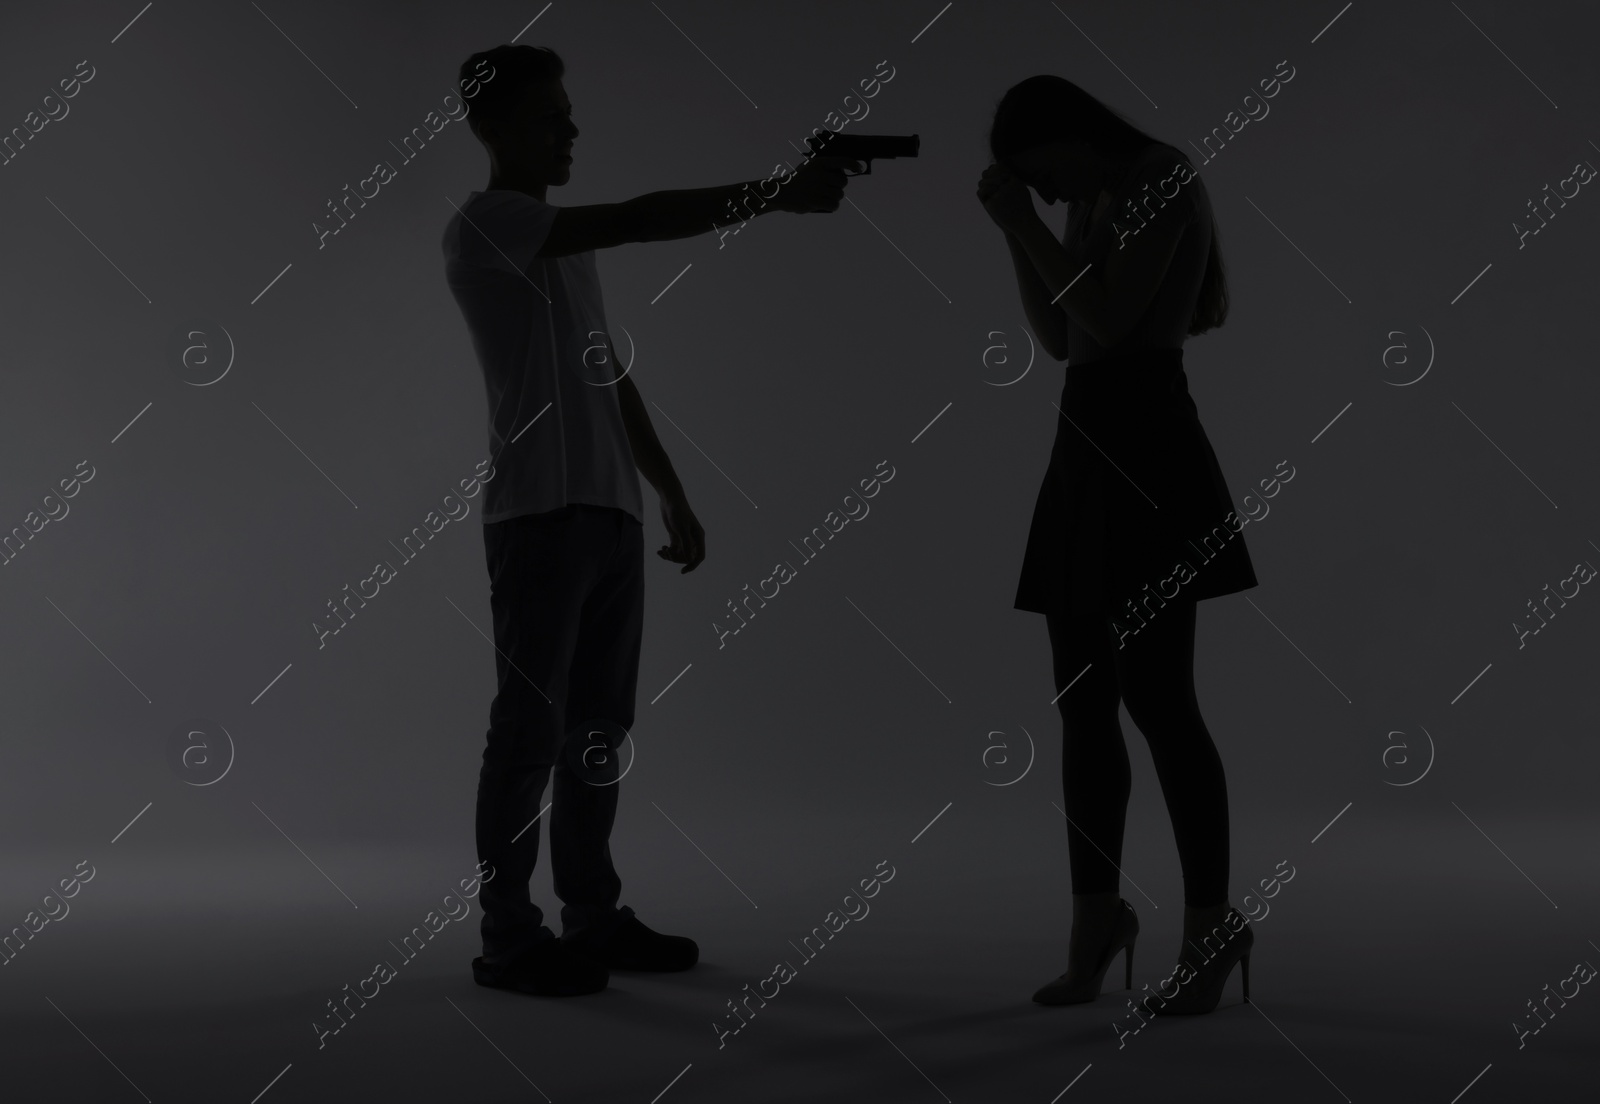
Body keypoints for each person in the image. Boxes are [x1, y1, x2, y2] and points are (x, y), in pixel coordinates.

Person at [441, 43, 848, 998]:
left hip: (605, 516)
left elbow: (606, 371)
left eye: (569, 111)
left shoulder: (558, 246)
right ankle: (507, 937)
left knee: (595, 731)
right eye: (550, 115)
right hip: (537, 514)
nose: (571, 128)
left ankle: (589, 917)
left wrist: (665, 485)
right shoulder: (491, 223)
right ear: (491, 130)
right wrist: (776, 194)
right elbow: (640, 218)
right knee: (527, 734)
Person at [977, 74, 1259, 1015]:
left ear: (1066, 134)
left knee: (1160, 700)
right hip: (1085, 439)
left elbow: (1109, 318)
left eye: (1038, 171)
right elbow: (1060, 337)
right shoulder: (1098, 193)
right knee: (1082, 700)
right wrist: (1021, 233)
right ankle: (1096, 922)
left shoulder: (1160, 176)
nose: (1044, 192)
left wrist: (1022, 225)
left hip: (1146, 442)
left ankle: (1214, 927)